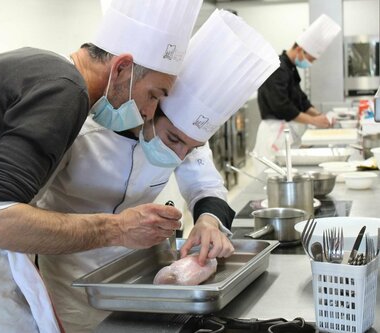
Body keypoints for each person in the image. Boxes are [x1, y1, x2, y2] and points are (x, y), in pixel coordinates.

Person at [0, 1, 203, 332]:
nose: (149, 112)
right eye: (153, 95)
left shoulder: (37, 67)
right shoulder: (64, 90)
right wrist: (119, 228)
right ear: (122, 67)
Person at [35, 9, 280, 332]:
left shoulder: (186, 135)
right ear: (149, 109)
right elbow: (19, 213)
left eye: (190, 147)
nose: (179, 154)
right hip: (74, 287)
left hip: (148, 281)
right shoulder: (79, 129)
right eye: (173, 139)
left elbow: (206, 186)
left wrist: (209, 222)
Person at [253, 14, 341, 165]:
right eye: (310, 59)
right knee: (270, 178)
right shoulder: (276, 68)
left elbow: (301, 101)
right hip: (272, 133)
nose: (310, 63)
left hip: (284, 132)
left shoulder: (290, 69)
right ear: (300, 50)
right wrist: (314, 121)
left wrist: (320, 116)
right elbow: (282, 107)